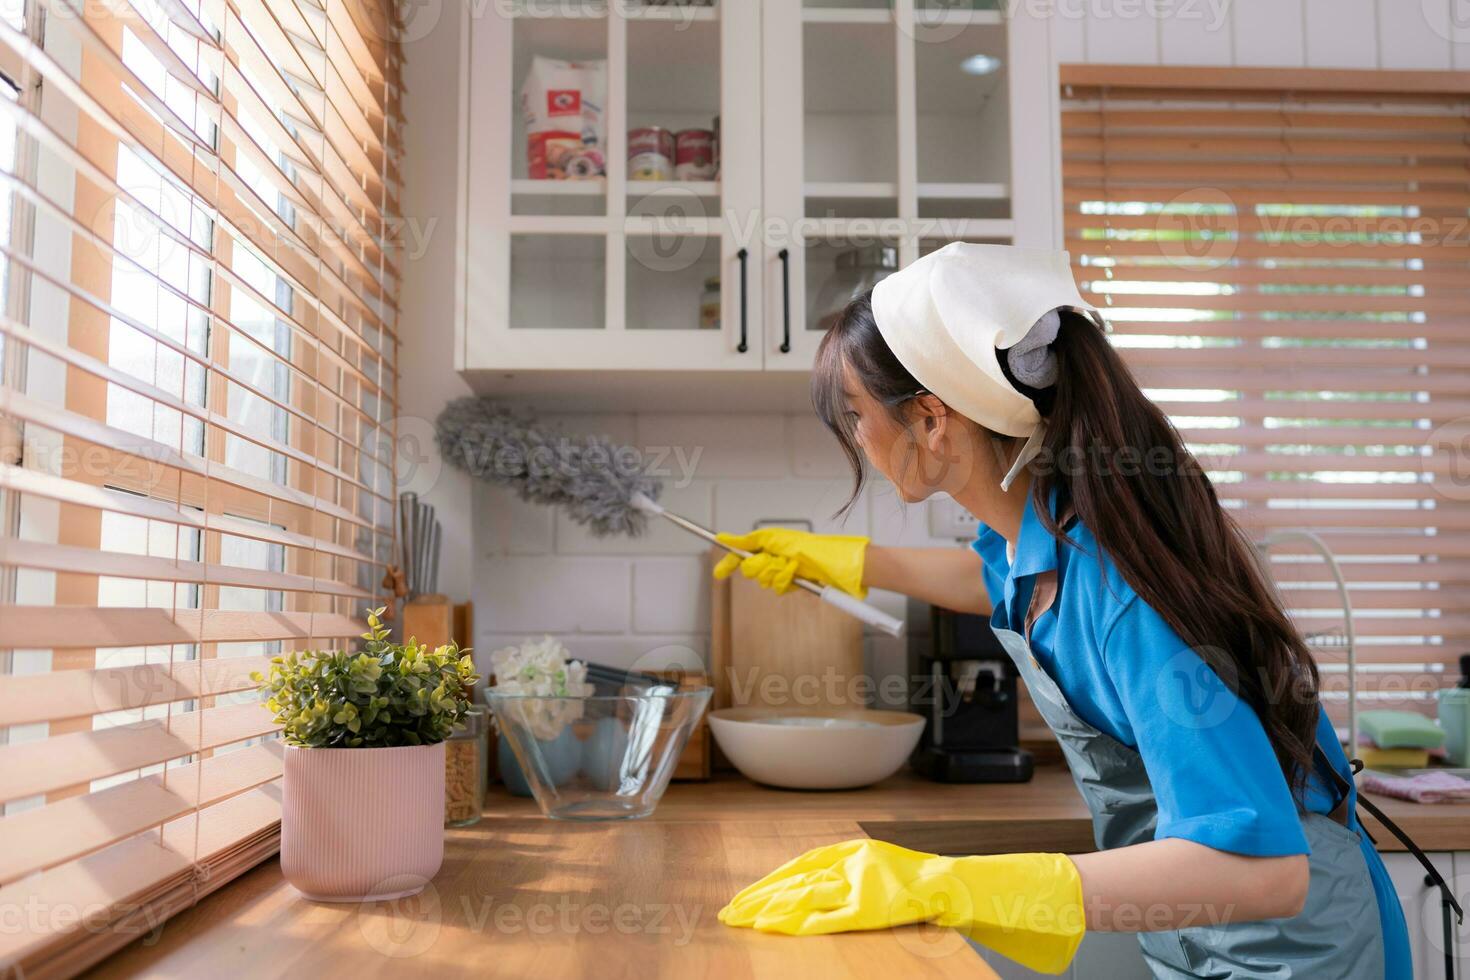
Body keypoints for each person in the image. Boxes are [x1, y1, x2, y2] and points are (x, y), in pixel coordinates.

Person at [712, 243, 1411, 978]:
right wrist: (849, 563)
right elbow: (1000, 583)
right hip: (1199, 933)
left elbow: (1266, 873)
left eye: (857, 415)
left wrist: (957, 884)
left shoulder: (1125, 595)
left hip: (1297, 950)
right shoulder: (1044, 531)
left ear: (930, 420)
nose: (857, 438)